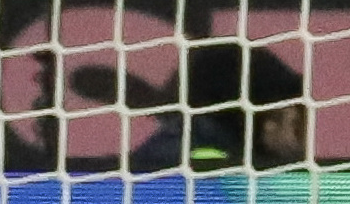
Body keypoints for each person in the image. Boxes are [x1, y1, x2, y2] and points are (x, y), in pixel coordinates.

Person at [129, 42, 308, 170]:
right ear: (269, 121)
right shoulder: (240, 187)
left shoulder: (146, 164)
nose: (303, 140)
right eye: (296, 123)